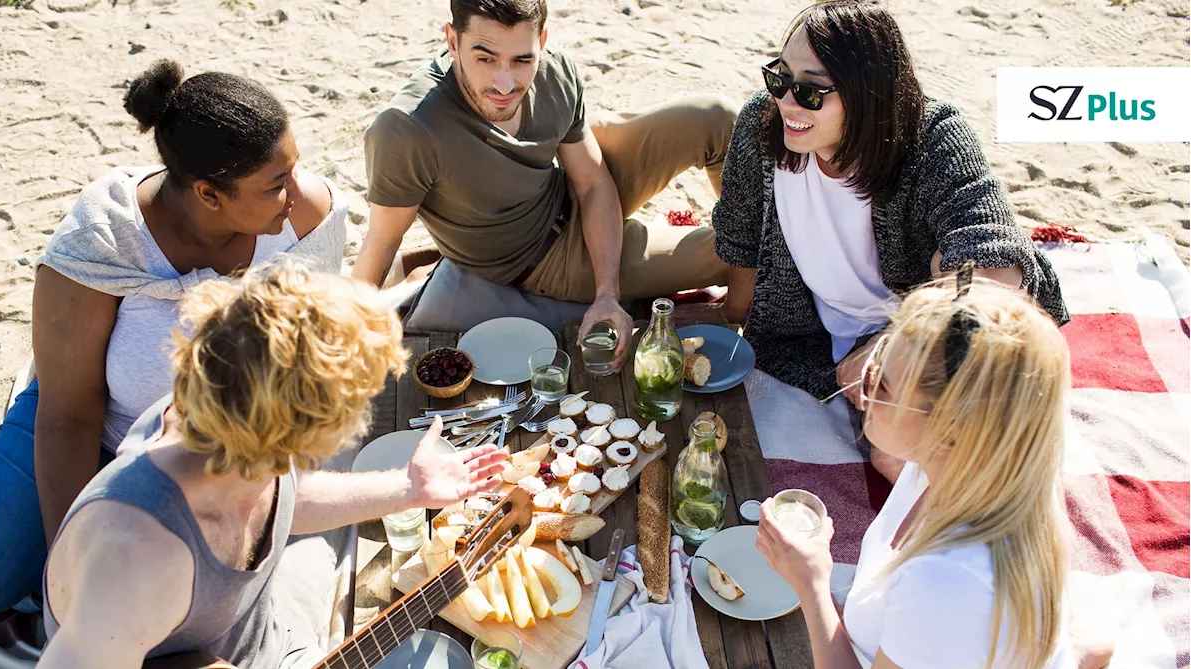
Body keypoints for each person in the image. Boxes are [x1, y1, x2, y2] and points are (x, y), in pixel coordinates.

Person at [0, 59, 346, 618]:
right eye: (275, 184)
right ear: (210, 195)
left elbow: (308, 357)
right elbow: (68, 416)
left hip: (218, 444)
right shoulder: (105, 236)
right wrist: (76, 563)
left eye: (293, 169)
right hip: (93, 426)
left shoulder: (305, 217)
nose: (295, 191)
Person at [38, 259, 506, 669]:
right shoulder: (131, 560)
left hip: (273, 638)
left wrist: (407, 488)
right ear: (301, 433)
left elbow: (283, 497)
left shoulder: (233, 425)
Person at [710, 1, 1067, 478]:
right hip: (808, 337)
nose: (787, 102)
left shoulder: (935, 139)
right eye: (780, 77)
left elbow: (993, 262)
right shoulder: (764, 124)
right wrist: (734, 318)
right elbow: (740, 235)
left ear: (868, 94)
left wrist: (887, 348)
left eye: (812, 91)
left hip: (920, 345)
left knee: (896, 457)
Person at [355, 0, 739, 359]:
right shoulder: (408, 128)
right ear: (452, 41)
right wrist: (343, 327)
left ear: (542, 41)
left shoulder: (554, 69)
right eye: (485, 58)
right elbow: (383, 238)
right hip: (545, 260)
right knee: (731, 251)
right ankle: (751, 291)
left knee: (716, 117)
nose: (505, 84)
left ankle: (751, 264)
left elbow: (592, 182)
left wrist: (607, 293)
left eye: (522, 59)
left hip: (567, 184)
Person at [755, 272, 1075, 668]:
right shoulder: (986, 464)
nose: (861, 378)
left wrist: (812, 582)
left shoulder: (947, 581)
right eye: (877, 356)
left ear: (949, 433)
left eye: (882, 385)